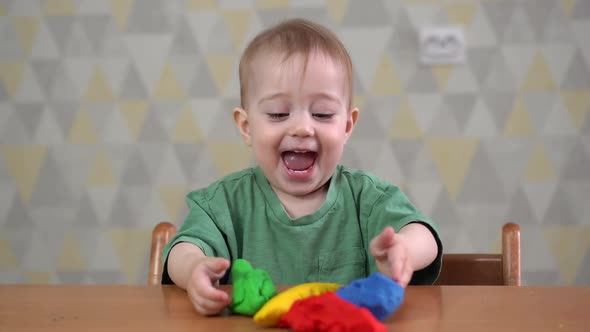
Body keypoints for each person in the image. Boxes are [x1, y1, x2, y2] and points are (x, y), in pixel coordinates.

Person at [161, 18, 443, 316]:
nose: (302, 128)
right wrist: (194, 268)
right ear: (246, 127)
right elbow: (183, 249)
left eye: (322, 114)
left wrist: (404, 250)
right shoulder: (225, 203)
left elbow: (423, 234)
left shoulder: (367, 198)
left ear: (347, 126)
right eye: (279, 113)